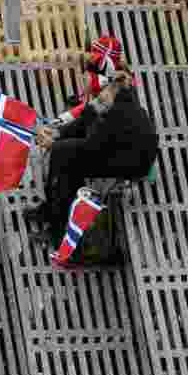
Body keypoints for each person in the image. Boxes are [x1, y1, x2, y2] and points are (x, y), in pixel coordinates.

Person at [26, 62, 159, 251]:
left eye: (102, 97)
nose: (98, 99)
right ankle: (51, 210)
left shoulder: (120, 112)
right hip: (116, 149)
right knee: (64, 152)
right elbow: (86, 118)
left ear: (110, 91)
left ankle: (57, 231)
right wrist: (57, 134)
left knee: (67, 162)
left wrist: (54, 145)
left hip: (131, 162)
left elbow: (91, 147)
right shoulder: (116, 97)